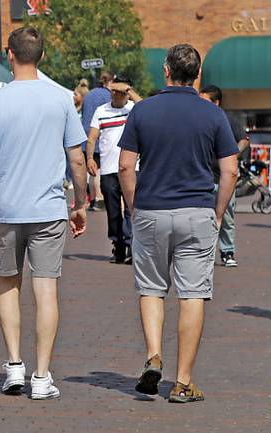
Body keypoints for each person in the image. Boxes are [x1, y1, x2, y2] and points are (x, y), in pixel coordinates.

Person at [118, 44, 238, 403]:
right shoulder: (213, 115)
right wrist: (218, 211)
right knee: (193, 293)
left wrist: (133, 206)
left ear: (166, 70)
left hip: (152, 209)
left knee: (152, 287)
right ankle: (183, 381)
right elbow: (229, 169)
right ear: (197, 76)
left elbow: (125, 166)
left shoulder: (142, 111)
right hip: (197, 210)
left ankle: (154, 355)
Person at [0, 27, 88, 400]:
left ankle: (14, 365)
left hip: (8, 207)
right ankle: (41, 374)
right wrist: (81, 202)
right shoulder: (61, 101)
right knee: (46, 289)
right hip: (49, 207)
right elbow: (76, 158)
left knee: (8, 283)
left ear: (9, 54)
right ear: (42, 56)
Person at [86, 76, 142, 264]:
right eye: (114, 91)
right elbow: (92, 137)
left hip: (132, 168)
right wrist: (89, 158)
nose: (116, 95)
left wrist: (128, 91)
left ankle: (132, 245)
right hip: (109, 168)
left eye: (120, 92)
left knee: (131, 209)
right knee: (113, 211)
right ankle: (118, 245)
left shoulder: (133, 109)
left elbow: (144, 106)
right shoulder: (101, 111)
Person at [199, 85, 250, 267]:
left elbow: (244, 139)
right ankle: (205, 252)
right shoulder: (197, 119)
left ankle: (227, 252)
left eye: (205, 101)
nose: (200, 105)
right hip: (202, 177)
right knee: (202, 217)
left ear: (216, 103)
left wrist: (232, 154)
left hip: (223, 178)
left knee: (226, 216)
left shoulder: (226, 119)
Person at [81, 72, 112, 210]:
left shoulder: (89, 94)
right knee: (98, 170)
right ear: (110, 82)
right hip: (98, 135)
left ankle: (92, 199)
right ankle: (99, 199)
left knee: (91, 170)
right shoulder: (107, 96)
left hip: (85, 135)